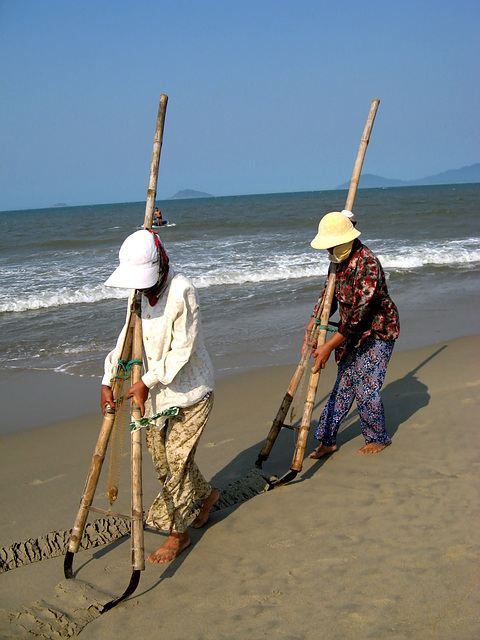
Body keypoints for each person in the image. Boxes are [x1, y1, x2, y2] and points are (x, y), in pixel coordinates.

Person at [101, 229, 219, 563]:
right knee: (165, 465)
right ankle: (207, 497)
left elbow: (183, 350)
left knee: (178, 462)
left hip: (191, 392)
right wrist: (109, 378)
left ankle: (177, 534)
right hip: (153, 398)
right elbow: (125, 339)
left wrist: (148, 381)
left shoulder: (183, 291)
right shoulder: (137, 296)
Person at [304, 210, 400, 458]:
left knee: (366, 385)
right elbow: (328, 298)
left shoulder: (368, 264)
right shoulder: (337, 262)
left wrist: (328, 347)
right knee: (344, 385)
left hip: (377, 330)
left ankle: (378, 438)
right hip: (350, 333)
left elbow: (359, 316)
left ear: (345, 242)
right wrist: (313, 324)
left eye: (331, 247)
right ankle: (328, 440)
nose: (328, 252)